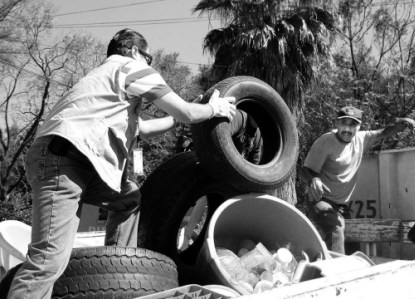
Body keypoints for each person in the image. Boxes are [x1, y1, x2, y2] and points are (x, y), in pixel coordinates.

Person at [7, 28, 236, 299]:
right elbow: (185, 112)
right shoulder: (129, 67)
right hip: (63, 162)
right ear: (132, 50)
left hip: (77, 162)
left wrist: (178, 118)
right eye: (148, 58)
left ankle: (117, 266)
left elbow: (145, 127)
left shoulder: (105, 90)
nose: (151, 65)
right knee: (48, 262)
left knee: (128, 198)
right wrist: (214, 109)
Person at [300, 106, 415, 254]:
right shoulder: (325, 141)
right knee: (336, 231)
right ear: (336, 123)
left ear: (359, 126)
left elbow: (383, 132)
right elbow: (304, 170)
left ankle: (353, 274)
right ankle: (336, 275)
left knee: (353, 245)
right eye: (344, 123)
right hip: (321, 201)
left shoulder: (362, 139)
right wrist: (313, 179)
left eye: (352, 124)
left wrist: (401, 124)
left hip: (342, 206)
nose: (347, 129)